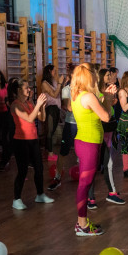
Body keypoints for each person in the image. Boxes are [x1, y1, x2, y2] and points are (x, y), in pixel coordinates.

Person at [71, 63, 116, 236]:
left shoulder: (78, 94)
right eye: (93, 74)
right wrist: (109, 99)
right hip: (89, 144)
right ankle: (81, 225)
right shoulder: (88, 96)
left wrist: (105, 96)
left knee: (86, 183)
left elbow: (94, 109)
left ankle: (81, 222)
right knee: (84, 184)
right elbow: (106, 117)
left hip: (83, 142)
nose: (96, 76)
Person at [8, 79, 53, 209]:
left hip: (33, 140)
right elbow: (29, 118)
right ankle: (16, 199)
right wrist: (38, 104)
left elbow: (41, 118)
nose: (29, 89)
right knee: (22, 171)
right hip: (20, 142)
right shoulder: (15, 105)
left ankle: (40, 195)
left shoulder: (29, 103)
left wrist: (42, 106)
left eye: (29, 87)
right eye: (26, 88)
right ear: (18, 90)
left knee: (39, 168)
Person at [87, 69, 125, 209]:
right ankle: (90, 197)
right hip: (97, 133)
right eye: (108, 75)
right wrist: (108, 99)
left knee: (108, 163)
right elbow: (103, 114)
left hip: (109, 131)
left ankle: (112, 193)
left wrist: (111, 99)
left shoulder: (107, 91)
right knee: (93, 167)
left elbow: (110, 110)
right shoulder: (96, 94)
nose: (110, 76)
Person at [48, 62, 76, 191]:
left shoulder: (86, 89)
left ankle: (86, 176)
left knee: (83, 153)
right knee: (63, 151)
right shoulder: (66, 89)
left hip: (84, 124)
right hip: (71, 124)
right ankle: (57, 177)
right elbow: (68, 107)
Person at [41, 64, 66, 161]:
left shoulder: (53, 81)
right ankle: (50, 154)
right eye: (54, 70)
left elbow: (59, 93)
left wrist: (63, 83)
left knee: (53, 130)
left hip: (56, 108)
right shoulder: (44, 83)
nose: (55, 72)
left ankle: (47, 151)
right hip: (50, 108)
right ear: (49, 71)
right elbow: (54, 95)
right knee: (50, 131)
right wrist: (59, 83)